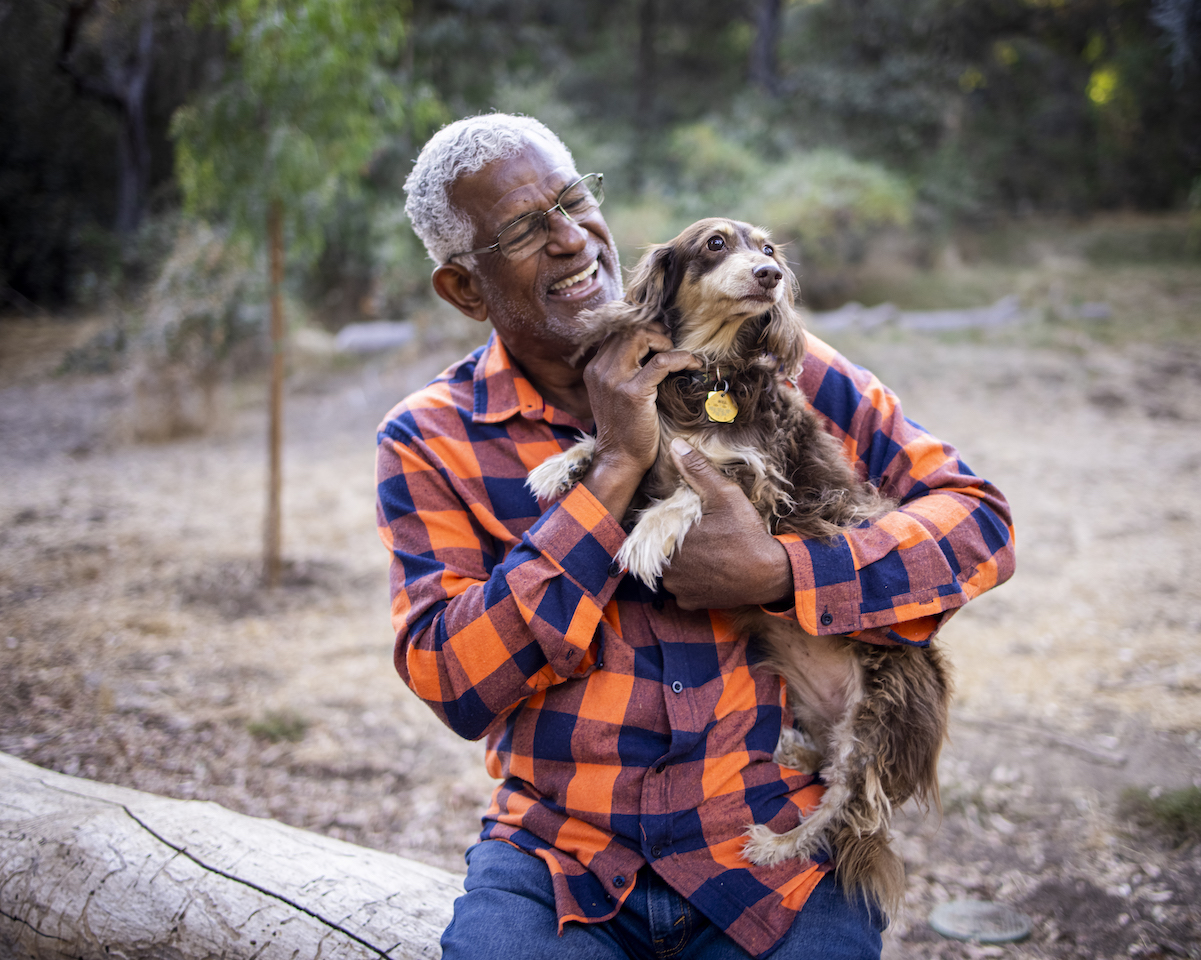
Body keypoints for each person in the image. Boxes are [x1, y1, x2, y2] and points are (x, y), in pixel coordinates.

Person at [376, 114, 1015, 959]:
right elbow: (453, 680)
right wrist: (610, 471)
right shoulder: (432, 437)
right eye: (526, 230)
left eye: (573, 201)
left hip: (773, 849)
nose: (571, 239)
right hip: (563, 860)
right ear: (463, 288)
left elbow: (978, 521)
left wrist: (784, 572)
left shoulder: (774, 364)